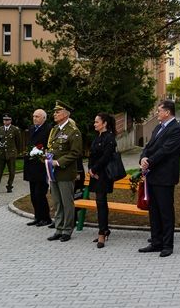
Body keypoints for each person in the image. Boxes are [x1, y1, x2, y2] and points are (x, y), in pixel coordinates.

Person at [138, 100, 180, 257]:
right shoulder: (158, 127)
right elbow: (149, 146)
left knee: (165, 211)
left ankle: (167, 244)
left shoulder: (176, 129)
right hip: (152, 176)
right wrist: (143, 158)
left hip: (164, 177)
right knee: (154, 211)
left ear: (167, 112)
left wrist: (149, 161)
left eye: (159, 111)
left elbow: (166, 150)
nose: (156, 113)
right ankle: (156, 241)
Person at [46, 101, 83, 242]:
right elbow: (52, 148)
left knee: (67, 202)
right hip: (53, 171)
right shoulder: (55, 129)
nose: (55, 114)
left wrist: (59, 162)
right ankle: (59, 228)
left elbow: (76, 152)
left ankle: (67, 230)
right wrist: (46, 157)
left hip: (65, 172)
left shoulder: (73, 131)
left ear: (66, 114)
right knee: (57, 201)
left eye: (58, 112)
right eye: (54, 112)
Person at [88, 112, 117, 249]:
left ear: (104, 123)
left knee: (101, 202)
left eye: (97, 122)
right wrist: (90, 169)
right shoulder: (97, 137)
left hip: (104, 175)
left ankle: (102, 233)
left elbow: (106, 157)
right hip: (95, 174)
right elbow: (91, 154)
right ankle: (104, 229)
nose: (94, 124)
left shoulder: (110, 138)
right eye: (94, 122)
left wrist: (94, 169)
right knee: (99, 203)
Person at [23, 109, 53, 227]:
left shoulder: (49, 129)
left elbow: (48, 146)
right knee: (33, 194)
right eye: (34, 116)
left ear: (44, 118)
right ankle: (37, 217)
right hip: (31, 166)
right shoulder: (31, 128)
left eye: (37, 116)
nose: (34, 118)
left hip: (41, 166)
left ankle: (46, 218)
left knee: (40, 194)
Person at [0, 115, 22, 193]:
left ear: (10, 121)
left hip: (11, 153)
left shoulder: (15, 129)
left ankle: (9, 186)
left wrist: (18, 152)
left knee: (11, 171)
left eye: (8, 120)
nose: (6, 121)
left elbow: (18, 142)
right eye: (4, 120)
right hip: (1, 153)